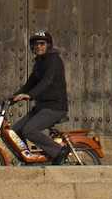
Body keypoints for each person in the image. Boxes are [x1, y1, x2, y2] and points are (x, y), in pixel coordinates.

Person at [12, 29, 72, 163]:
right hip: (42, 107)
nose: (38, 46)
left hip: (55, 107)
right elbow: (30, 84)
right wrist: (12, 98)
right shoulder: (39, 62)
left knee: (29, 130)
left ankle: (58, 151)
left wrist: (30, 95)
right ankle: (26, 159)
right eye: (35, 44)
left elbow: (48, 80)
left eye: (41, 43)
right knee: (16, 130)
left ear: (48, 45)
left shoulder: (54, 60)